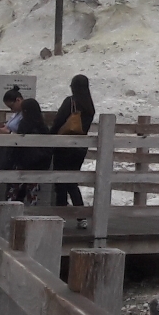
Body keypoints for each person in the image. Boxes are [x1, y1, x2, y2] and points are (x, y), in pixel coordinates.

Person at [51, 75, 96, 217]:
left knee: (60, 181)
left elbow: (58, 121)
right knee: (72, 182)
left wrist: (49, 137)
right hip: (80, 148)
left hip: (64, 146)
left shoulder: (70, 102)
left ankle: (60, 215)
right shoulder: (90, 106)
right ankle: (81, 216)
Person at [7, 98, 54, 203]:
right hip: (39, 164)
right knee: (32, 192)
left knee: (16, 191)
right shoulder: (43, 126)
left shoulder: (24, 124)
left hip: (23, 163)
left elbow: (19, 143)